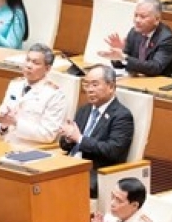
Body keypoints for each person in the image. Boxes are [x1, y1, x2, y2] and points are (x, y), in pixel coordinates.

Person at [58, 65, 135, 197]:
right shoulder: (85, 110)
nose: (89, 90)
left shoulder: (122, 116)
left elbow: (113, 151)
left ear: (111, 87)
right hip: (70, 164)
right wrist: (68, 137)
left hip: (95, 172)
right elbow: (64, 145)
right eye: (86, 85)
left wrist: (80, 139)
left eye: (95, 85)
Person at [0, 44, 68, 148]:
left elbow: (48, 134)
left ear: (47, 68)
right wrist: (3, 126)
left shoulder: (55, 95)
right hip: (6, 143)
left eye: (35, 63)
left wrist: (16, 123)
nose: (29, 65)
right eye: (27, 60)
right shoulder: (15, 84)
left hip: (31, 149)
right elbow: (1, 117)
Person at [99, 0, 172, 77]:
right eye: (136, 15)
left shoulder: (167, 39)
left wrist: (124, 57)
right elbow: (121, 64)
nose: (137, 20)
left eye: (143, 17)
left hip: (163, 84)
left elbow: (155, 68)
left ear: (157, 19)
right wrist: (118, 55)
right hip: (139, 81)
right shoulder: (134, 32)